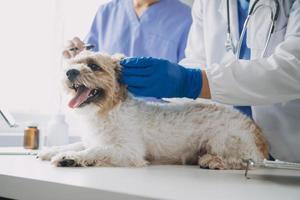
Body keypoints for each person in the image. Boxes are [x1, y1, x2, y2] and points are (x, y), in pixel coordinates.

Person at [120, 0, 300, 162]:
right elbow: (197, 61)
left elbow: (294, 68)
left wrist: (192, 81)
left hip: (290, 154)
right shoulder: (208, 3)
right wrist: (172, 86)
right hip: (228, 152)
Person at [63, 0, 192, 63]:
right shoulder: (106, 12)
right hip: (108, 112)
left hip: (161, 113)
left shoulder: (187, 18)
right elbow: (90, 62)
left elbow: (187, 78)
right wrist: (77, 56)